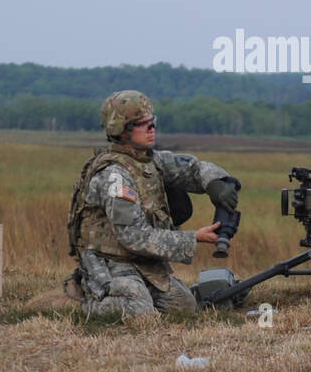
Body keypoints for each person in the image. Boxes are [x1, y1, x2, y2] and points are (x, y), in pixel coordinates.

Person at [64, 90, 241, 317]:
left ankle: (136, 293)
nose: (152, 128)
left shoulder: (150, 160)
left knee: (184, 307)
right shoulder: (115, 176)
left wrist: (216, 183)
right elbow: (134, 237)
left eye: (153, 122)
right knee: (140, 312)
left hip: (143, 262)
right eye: (143, 125)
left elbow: (191, 168)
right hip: (108, 263)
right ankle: (77, 303)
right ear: (122, 130)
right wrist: (194, 237)